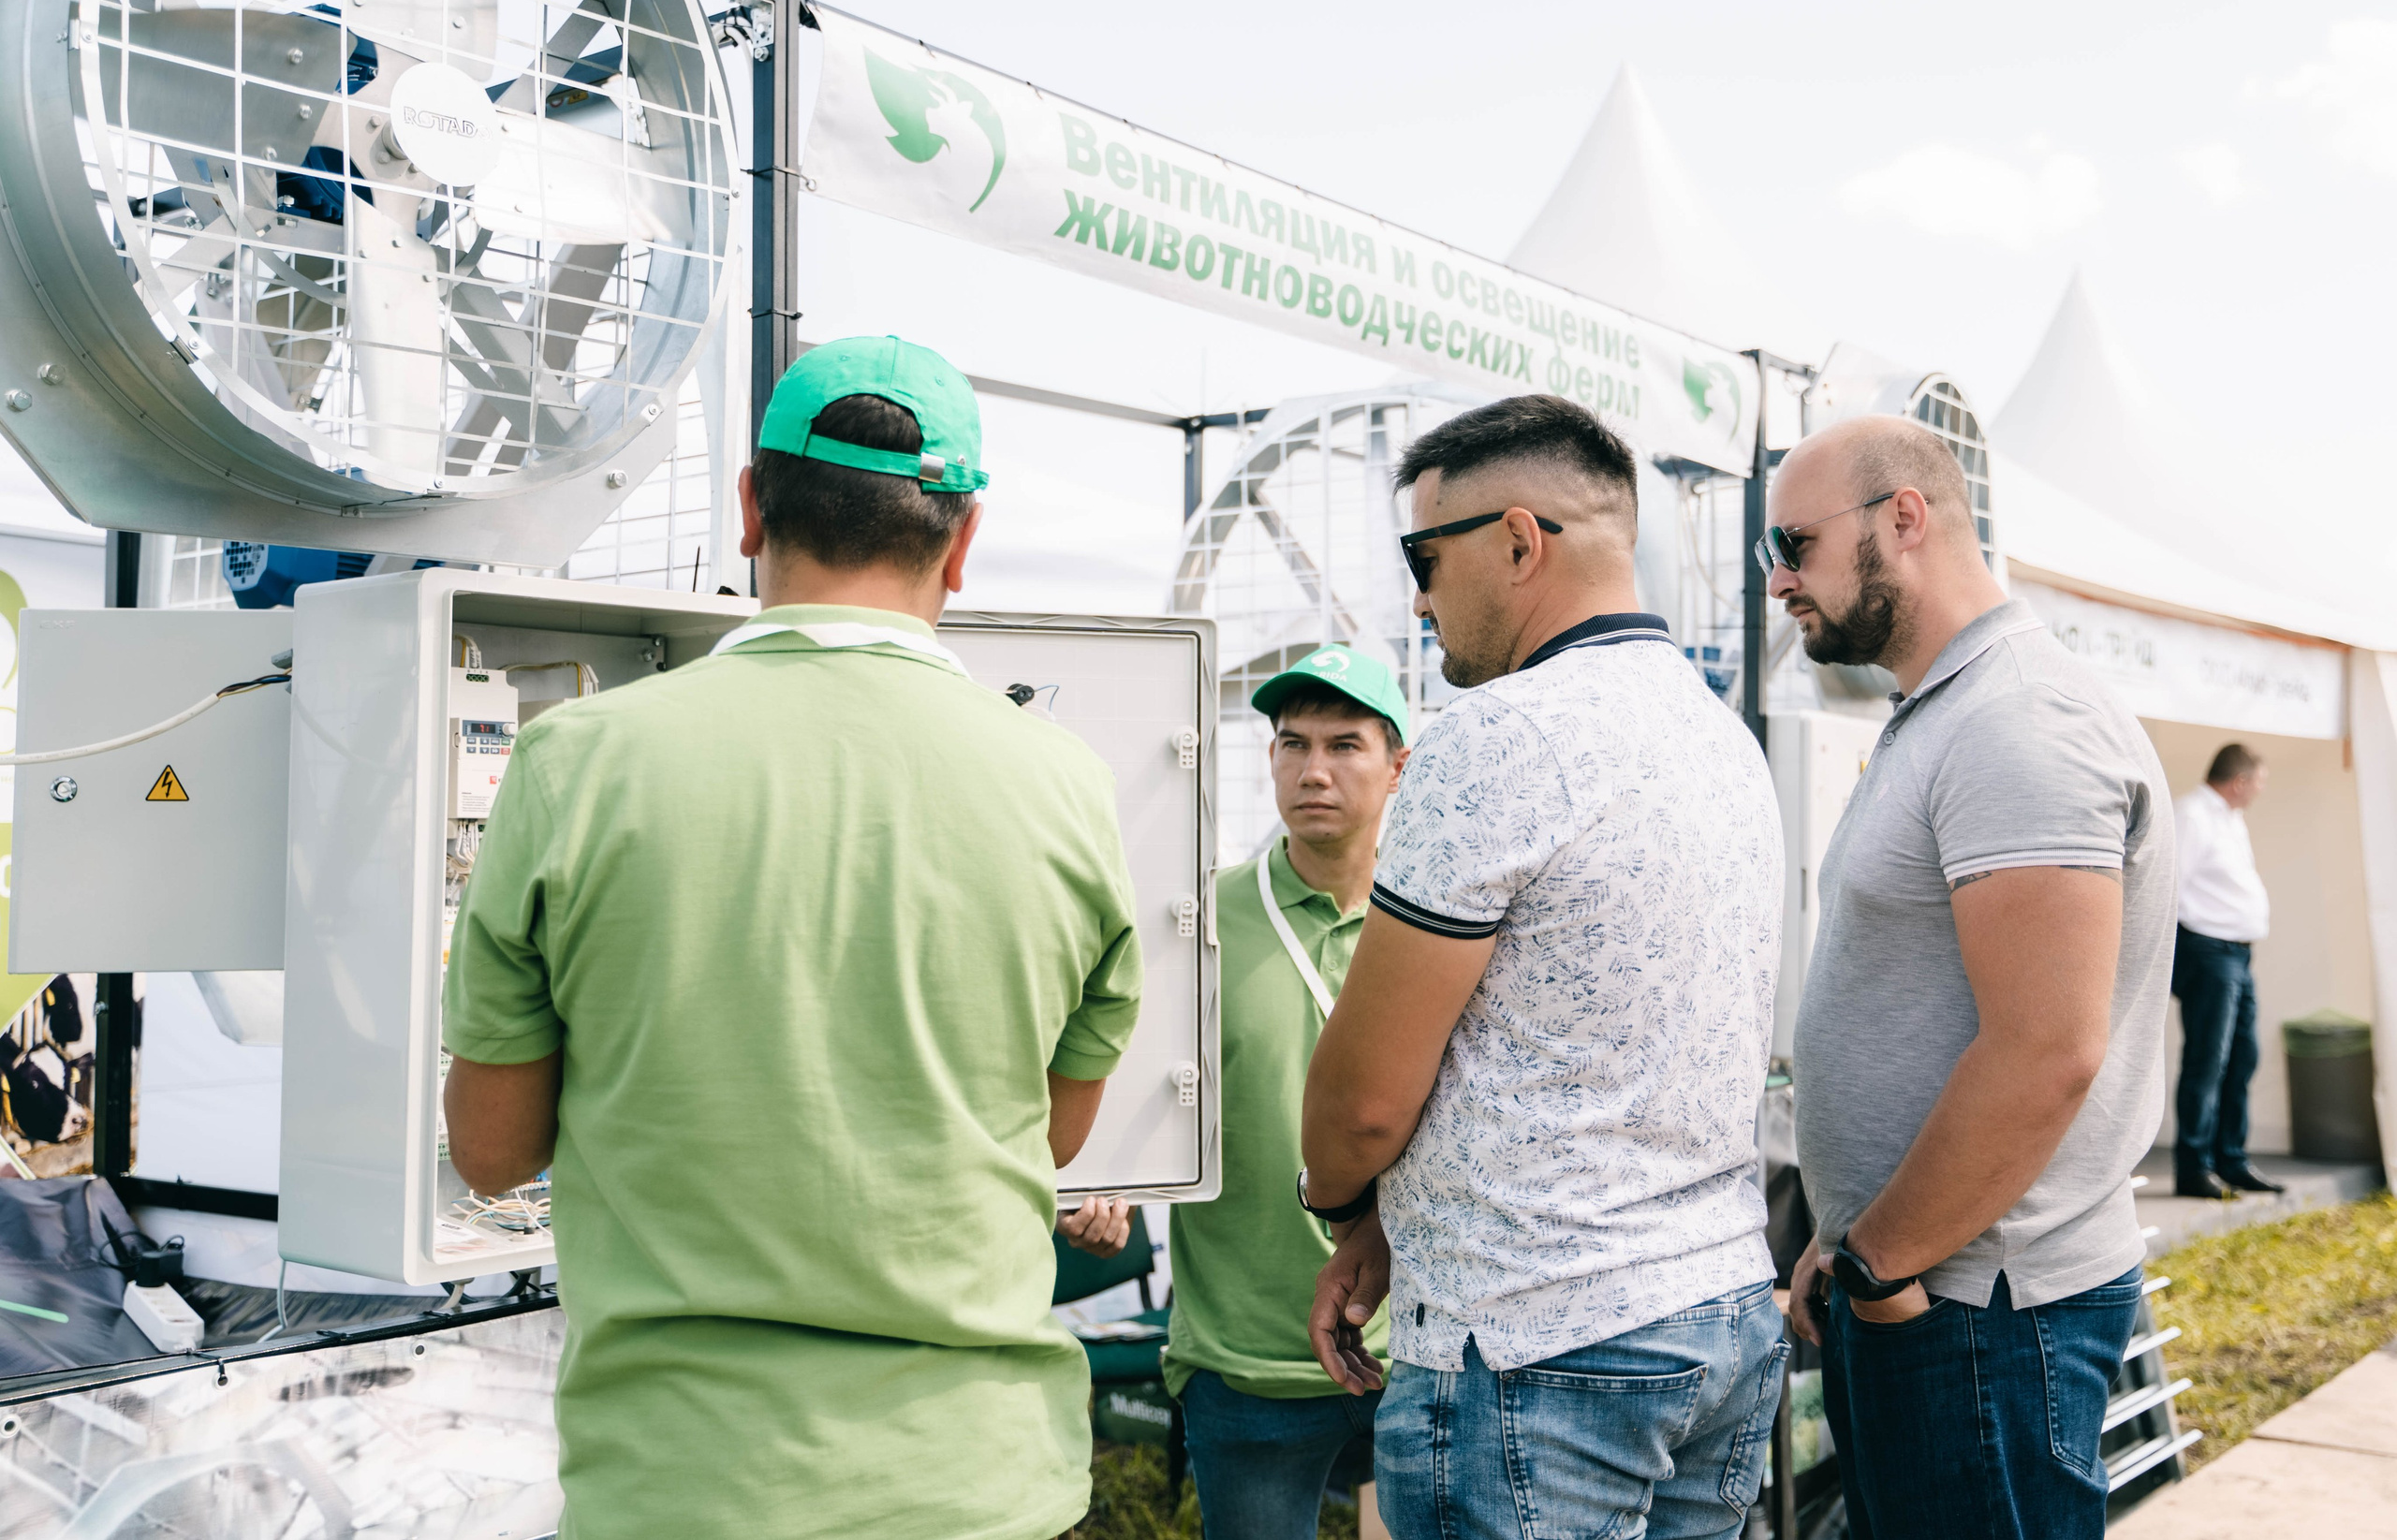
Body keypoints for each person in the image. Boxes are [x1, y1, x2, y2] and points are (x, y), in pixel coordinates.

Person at [439, 335, 1145, 1540]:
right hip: (976, 1479)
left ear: (751, 510)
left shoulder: (576, 764)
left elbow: (494, 1152)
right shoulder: (1064, 783)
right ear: (963, 538)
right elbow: (1051, 1133)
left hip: (682, 1482)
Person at [1301, 394, 1788, 1540]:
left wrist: (1337, 1199)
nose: (1417, 598)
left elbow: (1366, 1097)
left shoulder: (1501, 733)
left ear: (1519, 540)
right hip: (1713, 1306)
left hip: (1534, 1344)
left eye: (1424, 555)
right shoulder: (1722, 736)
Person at [1772, 416, 2174, 1540]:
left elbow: (2045, 1050)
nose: (1777, 580)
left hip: (1977, 1312)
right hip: (1931, 1288)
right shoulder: (1947, 711)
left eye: (1793, 543)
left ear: (1903, 517)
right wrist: (1848, 1234)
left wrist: (1878, 1266)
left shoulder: (2017, 721)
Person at [1164, 644, 1409, 1540]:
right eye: (1291, 743)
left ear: (1397, 767)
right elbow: (1136, 1091)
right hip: (1246, 1356)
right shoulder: (1198, 920)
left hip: (1418, 1351)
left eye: (1345, 745)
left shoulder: (1438, 924)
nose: (1313, 770)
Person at [2171, 742, 2280, 1198]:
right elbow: (2169, 885)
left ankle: (2230, 1159)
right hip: (2208, 952)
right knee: (2207, 1060)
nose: (2258, 790)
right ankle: (2194, 1166)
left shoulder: (2230, 818)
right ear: (2239, 781)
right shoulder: (2193, 815)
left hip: (2237, 954)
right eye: (2258, 781)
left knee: (2242, 1056)